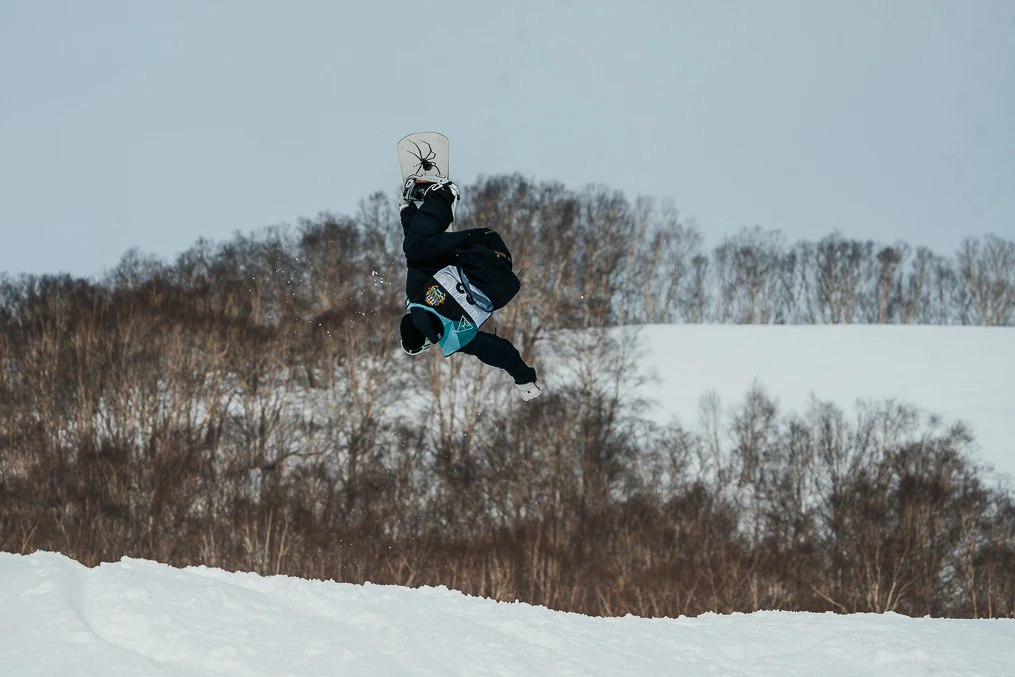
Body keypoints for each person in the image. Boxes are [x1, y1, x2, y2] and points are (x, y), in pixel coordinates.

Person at [397, 179, 542, 401]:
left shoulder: (453, 338)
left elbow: (500, 351)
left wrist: (524, 380)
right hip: (482, 248)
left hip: (499, 271)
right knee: (418, 249)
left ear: (427, 342)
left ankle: (429, 208)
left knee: (421, 251)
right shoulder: (416, 296)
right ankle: (445, 193)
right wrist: (407, 211)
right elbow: (414, 253)